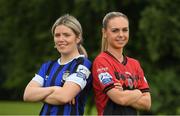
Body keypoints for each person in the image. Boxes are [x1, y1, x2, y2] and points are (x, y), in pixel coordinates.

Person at [23, 14, 92, 115]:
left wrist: (40, 94)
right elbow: (27, 95)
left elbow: (64, 97)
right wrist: (55, 89)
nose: (61, 39)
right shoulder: (48, 66)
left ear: (77, 38)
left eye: (66, 35)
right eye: (57, 35)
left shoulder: (83, 65)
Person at [92, 12, 151, 115]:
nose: (121, 35)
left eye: (125, 30)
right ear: (104, 33)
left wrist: (124, 92)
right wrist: (137, 92)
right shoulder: (101, 62)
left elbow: (147, 103)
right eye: (115, 30)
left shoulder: (135, 64)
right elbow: (120, 99)